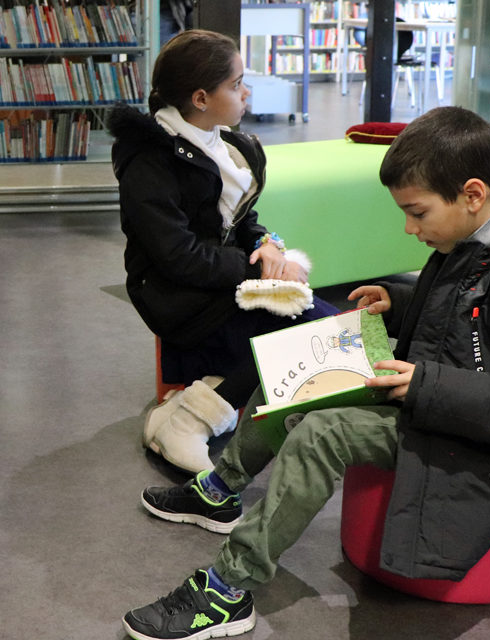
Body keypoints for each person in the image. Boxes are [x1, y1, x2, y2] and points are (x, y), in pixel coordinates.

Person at [120, 105, 490, 640]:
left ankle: (228, 588)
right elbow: (476, 318)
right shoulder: (479, 239)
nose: (410, 229)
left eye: (417, 212)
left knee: (323, 432)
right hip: (440, 398)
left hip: (479, 434)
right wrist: (403, 303)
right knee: (298, 360)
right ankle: (220, 490)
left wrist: (429, 385)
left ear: (473, 194)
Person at [108, 30, 338, 474]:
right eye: (236, 85)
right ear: (200, 98)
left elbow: (243, 221)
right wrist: (255, 272)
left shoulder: (225, 144)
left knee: (335, 333)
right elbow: (178, 256)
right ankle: (188, 423)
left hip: (221, 282)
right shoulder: (150, 160)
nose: (246, 92)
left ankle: (195, 405)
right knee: (325, 338)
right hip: (178, 297)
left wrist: (268, 247)